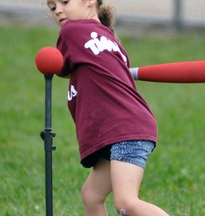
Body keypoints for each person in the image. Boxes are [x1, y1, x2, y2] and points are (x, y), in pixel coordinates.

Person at [46, 0, 169, 215]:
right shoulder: (110, 38)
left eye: (64, 2)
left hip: (124, 128)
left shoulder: (72, 31)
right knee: (91, 196)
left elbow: (60, 67)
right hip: (124, 126)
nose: (58, 10)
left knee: (126, 202)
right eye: (52, 6)